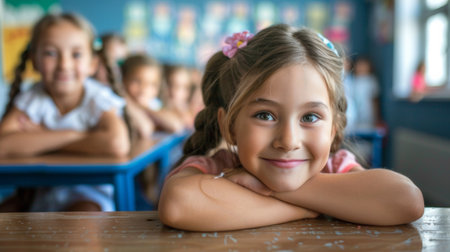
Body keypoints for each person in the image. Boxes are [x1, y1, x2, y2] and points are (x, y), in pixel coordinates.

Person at [158, 25, 424, 231]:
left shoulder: (336, 166)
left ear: (333, 130)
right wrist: (307, 209)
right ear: (228, 126)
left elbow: (406, 201)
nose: (288, 141)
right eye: (265, 115)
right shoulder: (219, 166)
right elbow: (177, 203)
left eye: (309, 118)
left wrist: (277, 191)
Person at [0, 13, 130, 212]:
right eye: (51, 53)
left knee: (81, 223)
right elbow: (3, 146)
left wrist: (41, 138)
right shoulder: (33, 98)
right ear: (34, 60)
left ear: (93, 64)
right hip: (38, 195)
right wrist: (76, 135)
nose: (64, 65)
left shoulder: (97, 97)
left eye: (76, 55)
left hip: (88, 195)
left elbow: (116, 144)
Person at [121, 54, 185, 135]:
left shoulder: (153, 104)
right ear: (123, 80)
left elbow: (176, 126)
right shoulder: (120, 104)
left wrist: (143, 107)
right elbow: (144, 128)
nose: (144, 89)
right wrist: (123, 95)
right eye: (137, 81)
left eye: (152, 84)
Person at [351, 56, 380, 129]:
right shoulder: (352, 80)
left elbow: (375, 100)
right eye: (359, 65)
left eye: (364, 66)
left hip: (367, 112)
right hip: (354, 112)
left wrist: (376, 117)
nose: (361, 68)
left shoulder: (371, 80)